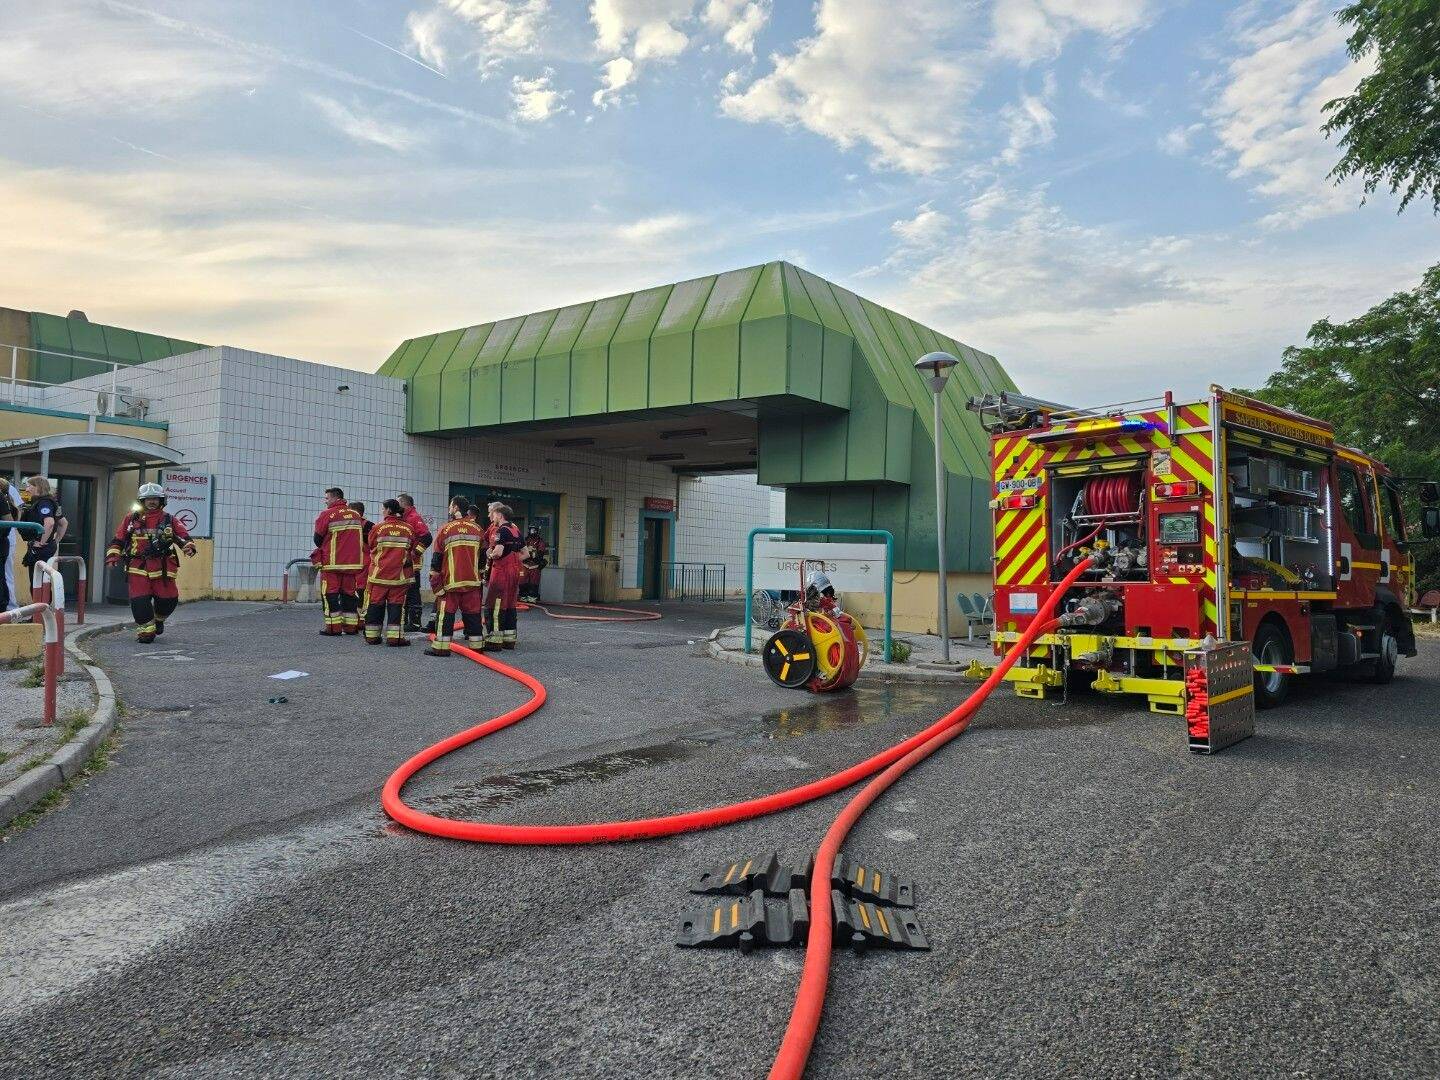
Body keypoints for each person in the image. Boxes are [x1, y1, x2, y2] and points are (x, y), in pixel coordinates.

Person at [105, 482, 197, 643]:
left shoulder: (169, 519)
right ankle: (146, 632)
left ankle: (158, 619)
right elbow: (119, 539)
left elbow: (184, 537)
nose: (152, 501)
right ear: (142, 501)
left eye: (155, 498)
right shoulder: (131, 519)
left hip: (163, 567)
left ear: (161, 500)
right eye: (148, 499)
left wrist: (188, 547)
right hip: (137, 566)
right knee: (139, 600)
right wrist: (113, 556)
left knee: (168, 600)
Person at [425, 496, 488, 656]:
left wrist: (435, 584)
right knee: (473, 616)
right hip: (472, 584)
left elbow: (437, 560)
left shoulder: (446, 529)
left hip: (450, 584)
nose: (449, 509)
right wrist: (479, 577)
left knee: (445, 616)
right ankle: (476, 647)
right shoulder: (478, 530)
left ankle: (441, 648)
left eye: (450, 506)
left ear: (455, 508)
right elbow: (482, 559)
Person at [364, 499, 421, 646]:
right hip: (399, 577)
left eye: (383, 509)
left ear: (389, 510)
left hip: (379, 576)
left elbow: (371, 545)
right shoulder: (408, 529)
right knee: (396, 606)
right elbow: (413, 547)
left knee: (375, 605)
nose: (382, 511)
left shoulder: (378, 528)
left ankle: (372, 637)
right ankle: (394, 638)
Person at [313, 488, 366, 636]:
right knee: (349, 595)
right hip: (352, 564)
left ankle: (333, 628)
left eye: (327, 498)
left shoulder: (327, 514)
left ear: (336, 498)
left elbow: (317, 539)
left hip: (332, 563)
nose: (326, 501)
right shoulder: (356, 515)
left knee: (330, 594)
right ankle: (350, 627)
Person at [482, 501, 523, 650]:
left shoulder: (501, 530)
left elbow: (498, 552)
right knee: (510, 605)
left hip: (501, 572)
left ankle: (494, 641)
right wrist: (512, 559)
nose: (491, 516)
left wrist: (490, 554)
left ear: (499, 514)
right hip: (514, 572)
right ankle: (509, 640)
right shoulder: (516, 530)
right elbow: (525, 554)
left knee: (494, 605)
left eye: (493, 513)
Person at [19, 476, 65, 583]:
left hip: (40, 549)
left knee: (37, 583)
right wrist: (55, 541)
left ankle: (41, 600)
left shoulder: (44, 502)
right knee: (42, 582)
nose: (27, 489)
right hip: (46, 547)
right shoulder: (51, 502)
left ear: (38, 487)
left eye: (29, 486)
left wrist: (42, 542)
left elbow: (49, 523)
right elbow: (63, 523)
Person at [397, 493, 432, 632]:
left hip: (413, 563)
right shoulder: (405, 517)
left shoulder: (414, 517)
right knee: (405, 592)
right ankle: (406, 620)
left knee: (412, 592)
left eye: (398, 503)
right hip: (404, 563)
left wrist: (415, 552)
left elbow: (427, 537)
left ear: (405, 505)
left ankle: (415, 622)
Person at [0, 480, 20, 611]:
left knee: (4, 576)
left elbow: (9, 521)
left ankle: (6, 607)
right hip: (4, 542)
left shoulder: (3, 499)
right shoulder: (7, 500)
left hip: (3, 542)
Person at [518, 525, 548, 604]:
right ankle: (523, 597)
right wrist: (528, 551)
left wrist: (532, 552)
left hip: (535, 566)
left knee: (533, 583)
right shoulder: (525, 540)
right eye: (531, 530)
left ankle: (532, 598)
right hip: (524, 565)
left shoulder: (540, 542)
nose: (532, 532)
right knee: (522, 581)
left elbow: (540, 554)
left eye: (534, 530)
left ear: (537, 531)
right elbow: (520, 551)